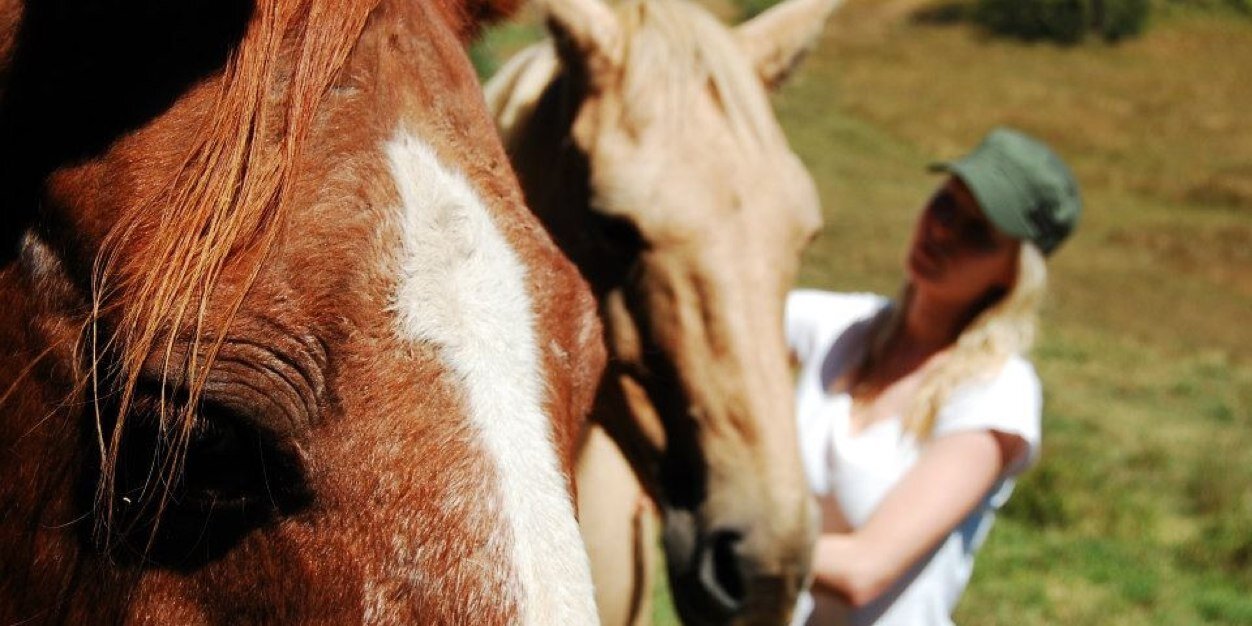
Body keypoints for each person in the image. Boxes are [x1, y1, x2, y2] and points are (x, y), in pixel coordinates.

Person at [786, 127, 1082, 626]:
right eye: (945, 205)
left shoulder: (996, 391)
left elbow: (865, 570)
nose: (943, 231)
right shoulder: (840, 329)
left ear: (1012, 273)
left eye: (977, 233)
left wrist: (727, 532)